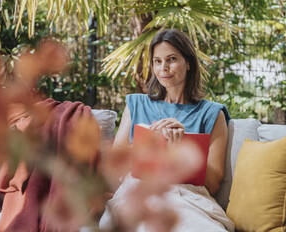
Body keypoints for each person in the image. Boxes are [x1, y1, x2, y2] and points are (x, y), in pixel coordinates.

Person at [100, 29, 234, 232]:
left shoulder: (212, 113)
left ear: (188, 63)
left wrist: (180, 150)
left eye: (171, 59)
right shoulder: (136, 104)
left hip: (187, 197)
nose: (164, 68)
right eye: (157, 61)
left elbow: (213, 183)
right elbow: (116, 167)